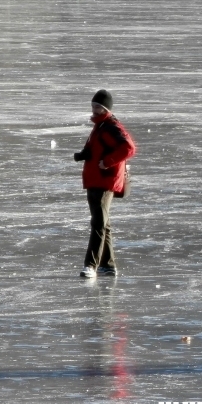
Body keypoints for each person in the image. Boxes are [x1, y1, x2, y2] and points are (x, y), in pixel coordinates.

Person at [74, 90, 136, 278]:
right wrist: (84, 154)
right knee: (103, 223)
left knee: (98, 224)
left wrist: (108, 162)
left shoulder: (110, 126)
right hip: (95, 179)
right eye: (93, 106)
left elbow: (128, 148)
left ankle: (91, 265)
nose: (94, 110)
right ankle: (108, 265)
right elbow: (98, 147)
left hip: (104, 181)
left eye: (98, 107)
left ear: (106, 109)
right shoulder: (101, 125)